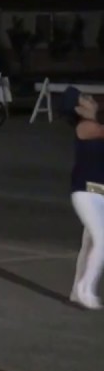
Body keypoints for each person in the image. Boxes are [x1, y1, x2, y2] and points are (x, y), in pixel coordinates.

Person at [67, 90, 104, 310]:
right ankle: (84, 289)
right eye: (86, 99)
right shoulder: (85, 127)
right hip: (86, 192)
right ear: (78, 109)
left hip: (99, 193)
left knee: (90, 244)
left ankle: (77, 291)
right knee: (101, 241)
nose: (92, 100)